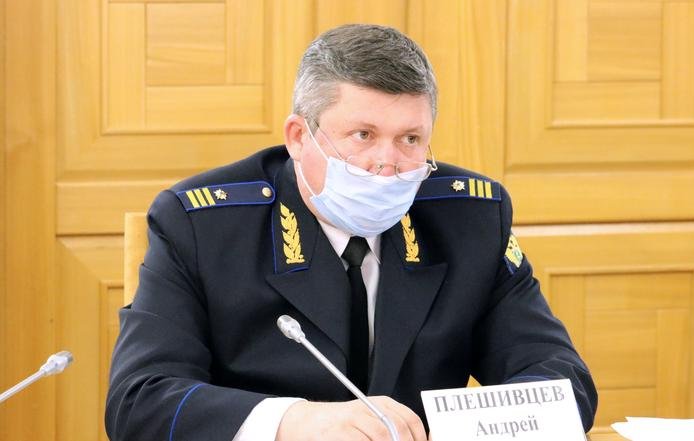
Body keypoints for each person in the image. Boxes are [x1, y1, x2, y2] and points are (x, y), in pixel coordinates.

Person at [105, 24, 597, 441]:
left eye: (410, 139)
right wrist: (295, 422)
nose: (387, 164)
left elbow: (561, 380)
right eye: (363, 135)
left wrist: (458, 429)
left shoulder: (470, 218)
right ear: (299, 137)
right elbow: (140, 401)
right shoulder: (201, 225)